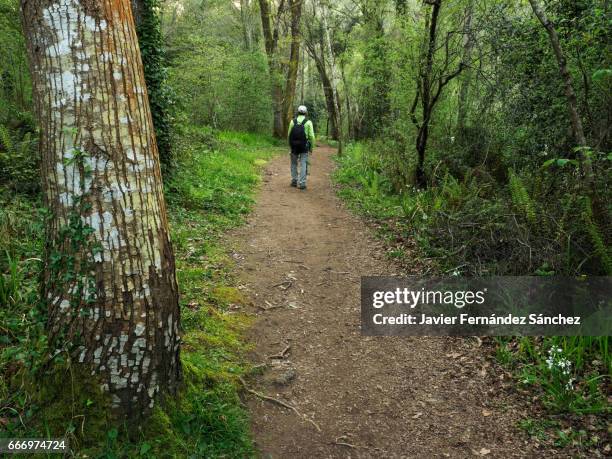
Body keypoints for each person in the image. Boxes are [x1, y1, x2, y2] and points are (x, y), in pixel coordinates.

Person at [287, 105, 315, 190]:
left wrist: (290, 146)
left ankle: (294, 181)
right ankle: (302, 183)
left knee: (294, 163)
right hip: (304, 146)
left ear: (297, 112)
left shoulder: (292, 121)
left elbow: (289, 135)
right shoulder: (308, 122)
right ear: (306, 113)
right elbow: (312, 137)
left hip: (294, 146)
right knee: (303, 164)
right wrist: (311, 148)